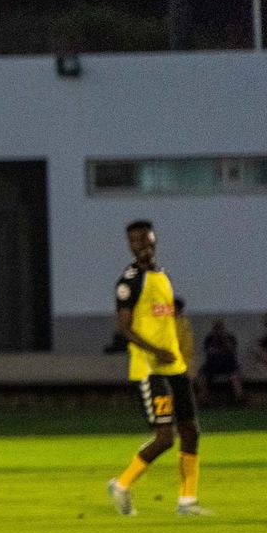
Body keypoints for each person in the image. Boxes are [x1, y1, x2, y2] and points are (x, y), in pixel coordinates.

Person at [106, 220, 209, 517]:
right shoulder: (129, 282)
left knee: (191, 431)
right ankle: (122, 484)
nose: (143, 247)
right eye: (137, 242)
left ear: (155, 240)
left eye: (147, 241)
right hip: (150, 369)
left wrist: (174, 353)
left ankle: (187, 501)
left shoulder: (161, 276)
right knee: (166, 437)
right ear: (130, 245)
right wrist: (155, 351)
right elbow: (124, 328)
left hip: (174, 366)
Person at [197, 319, 244, 406]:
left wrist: (224, 339)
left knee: (235, 376)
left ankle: (239, 398)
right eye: (216, 328)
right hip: (212, 365)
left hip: (228, 364)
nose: (218, 330)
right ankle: (203, 399)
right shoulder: (210, 339)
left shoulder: (230, 338)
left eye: (220, 328)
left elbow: (231, 350)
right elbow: (209, 352)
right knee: (202, 375)